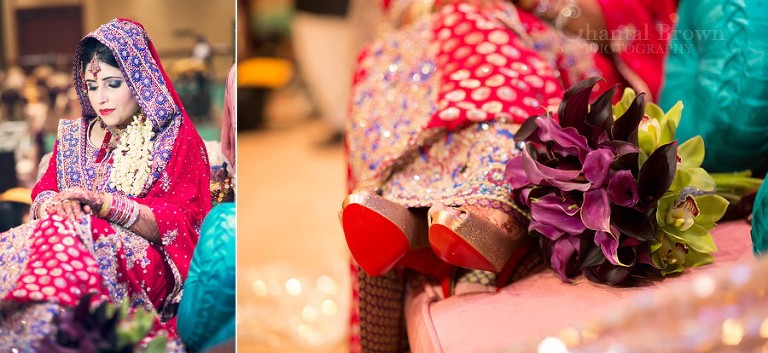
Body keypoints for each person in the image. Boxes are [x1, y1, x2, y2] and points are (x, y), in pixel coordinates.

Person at [340, 0, 675, 351]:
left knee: (475, 28)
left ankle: (457, 206)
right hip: (449, 37)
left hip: (564, 47)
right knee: (384, 56)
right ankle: (435, 216)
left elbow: (636, 24)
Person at [0, 18, 211, 350]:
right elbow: (43, 191)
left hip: (139, 259)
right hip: (61, 238)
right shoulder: (73, 135)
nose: (101, 98)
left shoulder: (172, 137)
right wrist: (56, 204)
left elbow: (186, 221)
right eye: (92, 86)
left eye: (113, 84)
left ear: (140, 80)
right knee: (21, 245)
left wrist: (105, 204)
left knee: (64, 241)